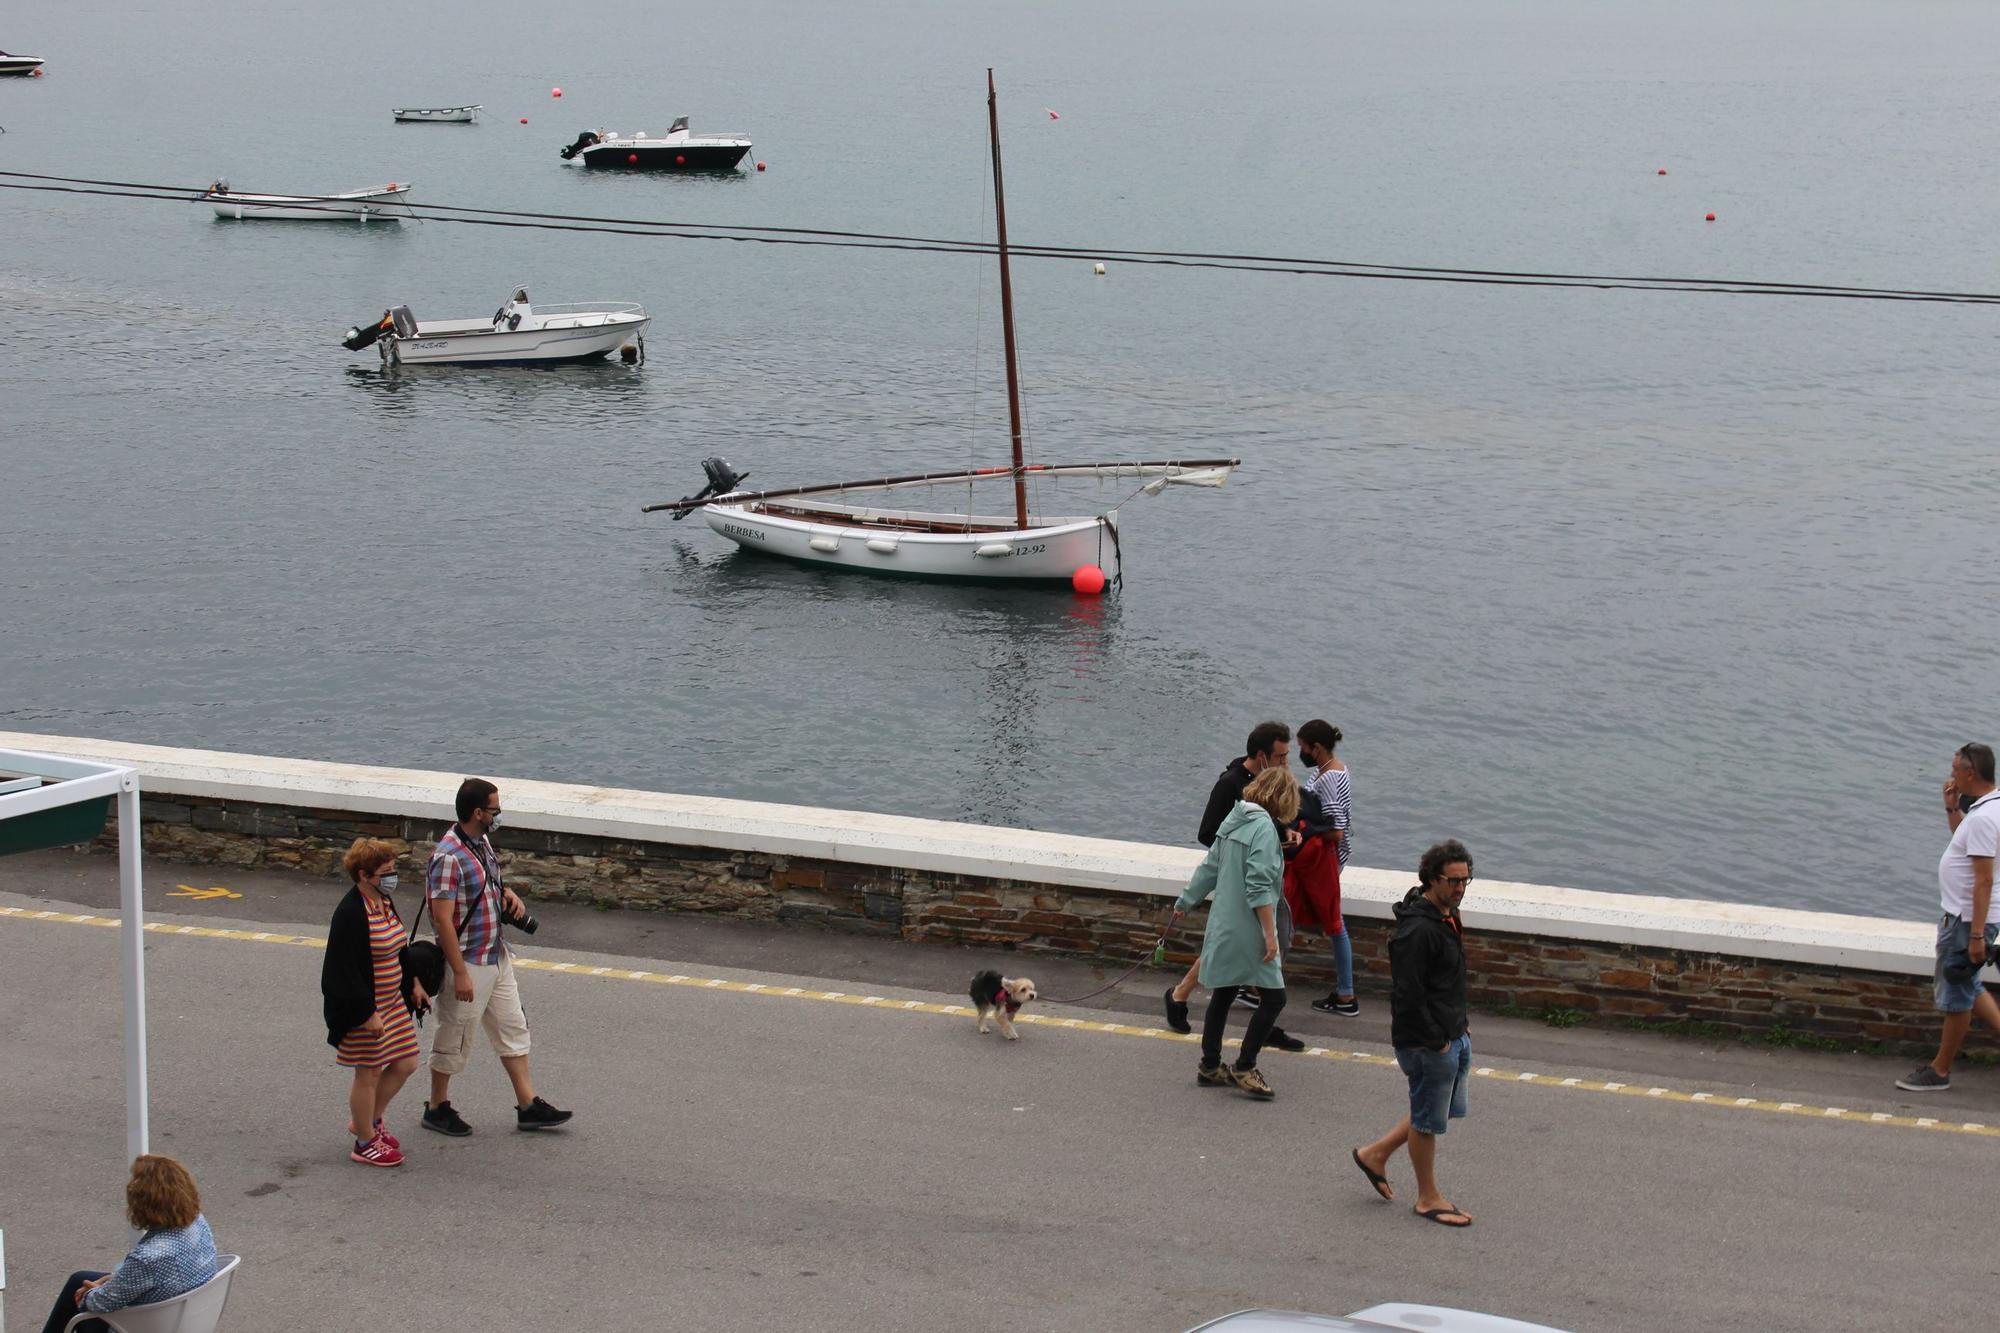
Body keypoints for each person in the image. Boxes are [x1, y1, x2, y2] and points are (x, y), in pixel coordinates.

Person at [422, 777, 573, 1135]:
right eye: (495, 809)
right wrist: (459, 973)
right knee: (455, 1036)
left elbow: (488, 880)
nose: (499, 815)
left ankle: (527, 1105)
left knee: (512, 1028)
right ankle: (436, 1106)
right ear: (478, 813)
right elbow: (441, 919)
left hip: (496, 953)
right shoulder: (448, 857)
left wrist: (508, 892)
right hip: (469, 960)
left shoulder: (481, 842)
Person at [1352, 840, 1475, 1228]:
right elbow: (1408, 994)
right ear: (1431, 878)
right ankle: (1427, 1198)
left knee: (1430, 1109)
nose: (1460, 888)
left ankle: (1375, 1154)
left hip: (1450, 1033)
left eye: (1466, 881)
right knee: (1426, 1121)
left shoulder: (1446, 915)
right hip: (1428, 1042)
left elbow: (1445, 980)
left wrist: (1458, 1026)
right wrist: (1437, 1040)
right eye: (1453, 881)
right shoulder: (1417, 931)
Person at [1166, 722, 1305, 1053]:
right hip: (1250, 906)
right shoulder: (1231, 787)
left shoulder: (1248, 811)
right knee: (1267, 984)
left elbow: (1215, 862)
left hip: (1241, 904)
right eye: (1282, 758)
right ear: (1262, 757)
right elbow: (1213, 843)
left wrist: (1185, 900)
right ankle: (1245, 1061)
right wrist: (1256, 849)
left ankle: (1211, 1062)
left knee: (1227, 985)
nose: (1287, 764)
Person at [1898, 744, 2000, 1092]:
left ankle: (1939, 1071)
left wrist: (1974, 936)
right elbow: (1963, 840)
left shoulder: (1986, 817)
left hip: (1967, 920)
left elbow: (1984, 879)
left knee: (1957, 994)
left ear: (1971, 773)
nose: (1951, 774)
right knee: (1968, 985)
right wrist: (1952, 808)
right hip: (1966, 918)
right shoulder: (1987, 807)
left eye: (1956, 769)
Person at [323, 837, 426, 1167]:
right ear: (364, 875)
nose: (392, 877)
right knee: (367, 1073)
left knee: (406, 1062)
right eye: (386, 872)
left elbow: (399, 949)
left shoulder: (383, 901)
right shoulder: (350, 914)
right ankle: (365, 1141)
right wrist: (366, 1013)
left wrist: (413, 984)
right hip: (365, 1011)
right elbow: (340, 971)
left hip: (393, 1004)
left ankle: (369, 1120)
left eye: (393, 870)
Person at [40, 1154, 219, 1333]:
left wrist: (89, 1294)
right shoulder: (197, 1221)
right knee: (79, 1278)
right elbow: (145, 1277)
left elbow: (97, 1304)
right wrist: (113, 1279)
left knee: (78, 1292)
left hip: (145, 1324)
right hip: (184, 1313)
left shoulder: (148, 1257)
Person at [1296, 719, 1359, 1016]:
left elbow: (1336, 829)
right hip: (1326, 859)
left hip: (1323, 860)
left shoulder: (1328, 778)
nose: (1302, 753)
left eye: (1303, 748)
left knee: (1333, 924)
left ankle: (1346, 994)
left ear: (1316, 748)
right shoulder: (1336, 769)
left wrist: (1303, 828)